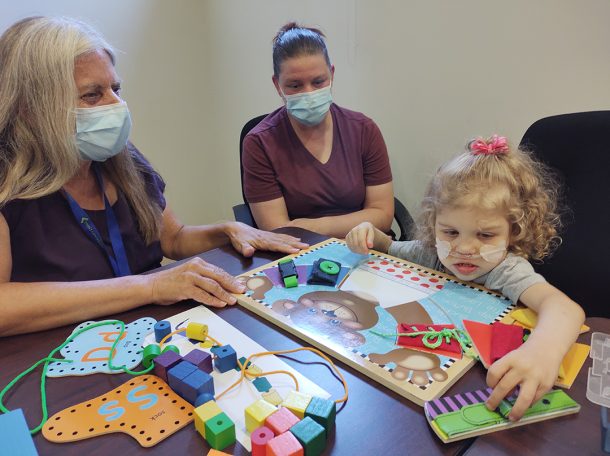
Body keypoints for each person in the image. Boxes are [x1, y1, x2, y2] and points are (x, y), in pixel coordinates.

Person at [0, 16, 308, 337]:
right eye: (92, 95)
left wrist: (226, 230)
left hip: (148, 333)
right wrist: (148, 286)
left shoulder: (122, 160)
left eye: (115, 89)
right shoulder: (7, 181)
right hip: (59, 351)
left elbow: (172, 239)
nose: (117, 105)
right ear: (30, 108)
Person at [345, 135, 585, 421]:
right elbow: (387, 246)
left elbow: (565, 308)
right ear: (434, 225)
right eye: (450, 232)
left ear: (514, 232)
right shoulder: (430, 253)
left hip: (477, 384)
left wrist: (542, 352)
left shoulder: (506, 270)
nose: (464, 249)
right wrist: (366, 232)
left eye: (485, 235)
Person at [242, 22, 394, 238]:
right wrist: (357, 221)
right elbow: (277, 232)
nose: (309, 93)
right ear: (277, 85)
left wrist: (311, 226)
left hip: (365, 248)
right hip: (299, 254)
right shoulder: (260, 143)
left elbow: (383, 215)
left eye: (318, 81)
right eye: (295, 85)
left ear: (331, 75)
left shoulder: (364, 130)